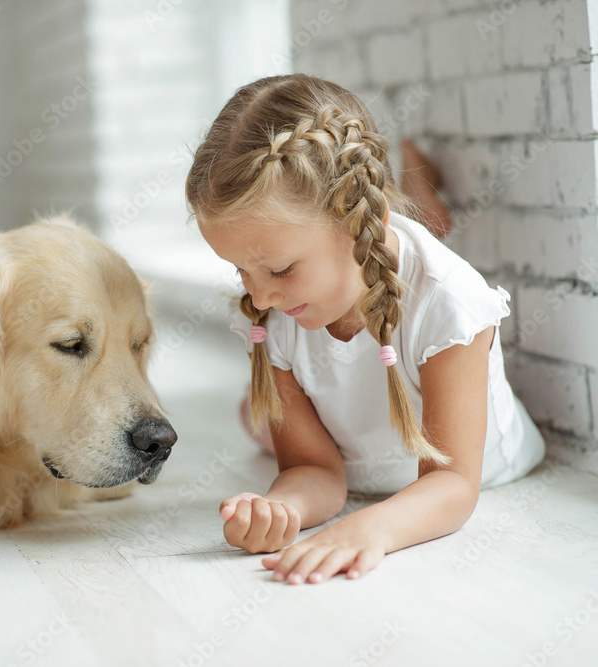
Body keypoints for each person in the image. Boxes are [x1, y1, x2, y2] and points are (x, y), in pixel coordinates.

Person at [185, 73, 545, 585]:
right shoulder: (270, 311)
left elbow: (453, 486)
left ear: (355, 221)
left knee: (256, 415)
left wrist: (367, 528)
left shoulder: (451, 304)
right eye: (240, 270)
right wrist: (281, 508)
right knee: (256, 415)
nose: (259, 297)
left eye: (281, 269)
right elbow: (315, 470)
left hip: (474, 470)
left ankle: (428, 217)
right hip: (357, 455)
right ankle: (423, 210)